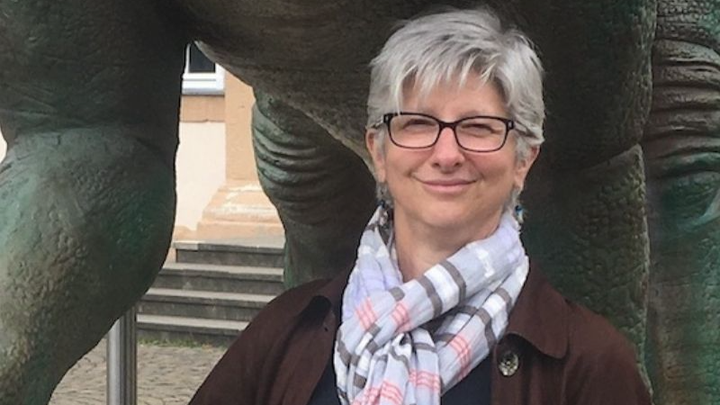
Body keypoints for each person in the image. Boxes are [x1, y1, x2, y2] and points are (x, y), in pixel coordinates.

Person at [189, 7, 651, 405]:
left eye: (479, 127)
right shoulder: (284, 334)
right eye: (416, 124)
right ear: (379, 152)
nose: (447, 154)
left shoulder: (589, 363)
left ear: (523, 159)